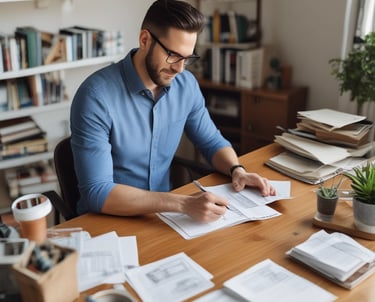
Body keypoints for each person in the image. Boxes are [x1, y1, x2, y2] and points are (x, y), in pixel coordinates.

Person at [70, 0, 276, 223]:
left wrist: (237, 170)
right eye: (173, 55)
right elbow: (97, 192)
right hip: (107, 220)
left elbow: (211, 141)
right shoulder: (95, 96)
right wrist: (182, 203)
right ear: (145, 40)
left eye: (187, 58)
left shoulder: (185, 85)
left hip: (163, 217)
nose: (179, 68)